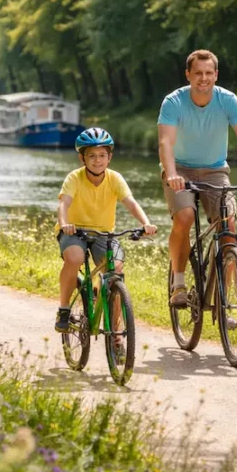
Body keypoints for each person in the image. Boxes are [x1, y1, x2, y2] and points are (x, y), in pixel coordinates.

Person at [159, 49, 237, 307]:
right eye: (198, 73)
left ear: (216, 75)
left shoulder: (228, 100)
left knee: (228, 227)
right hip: (179, 170)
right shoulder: (173, 102)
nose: (203, 78)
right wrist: (171, 174)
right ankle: (178, 283)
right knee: (185, 217)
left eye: (208, 73)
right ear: (188, 75)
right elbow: (166, 142)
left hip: (215, 171)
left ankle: (226, 301)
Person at [55, 127, 157, 334]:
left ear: (109, 158)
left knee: (115, 270)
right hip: (74, 231)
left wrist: (146, 223)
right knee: (74, 258)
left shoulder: (115, 179)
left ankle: (116, 332)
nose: (97, 160)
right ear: (82, 158)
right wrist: (65, 223)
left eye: (102, 155)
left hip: (103, 234)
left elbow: (130, 203)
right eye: (91, 156)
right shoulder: (74, 178)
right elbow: (64, 204)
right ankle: (64, 310)